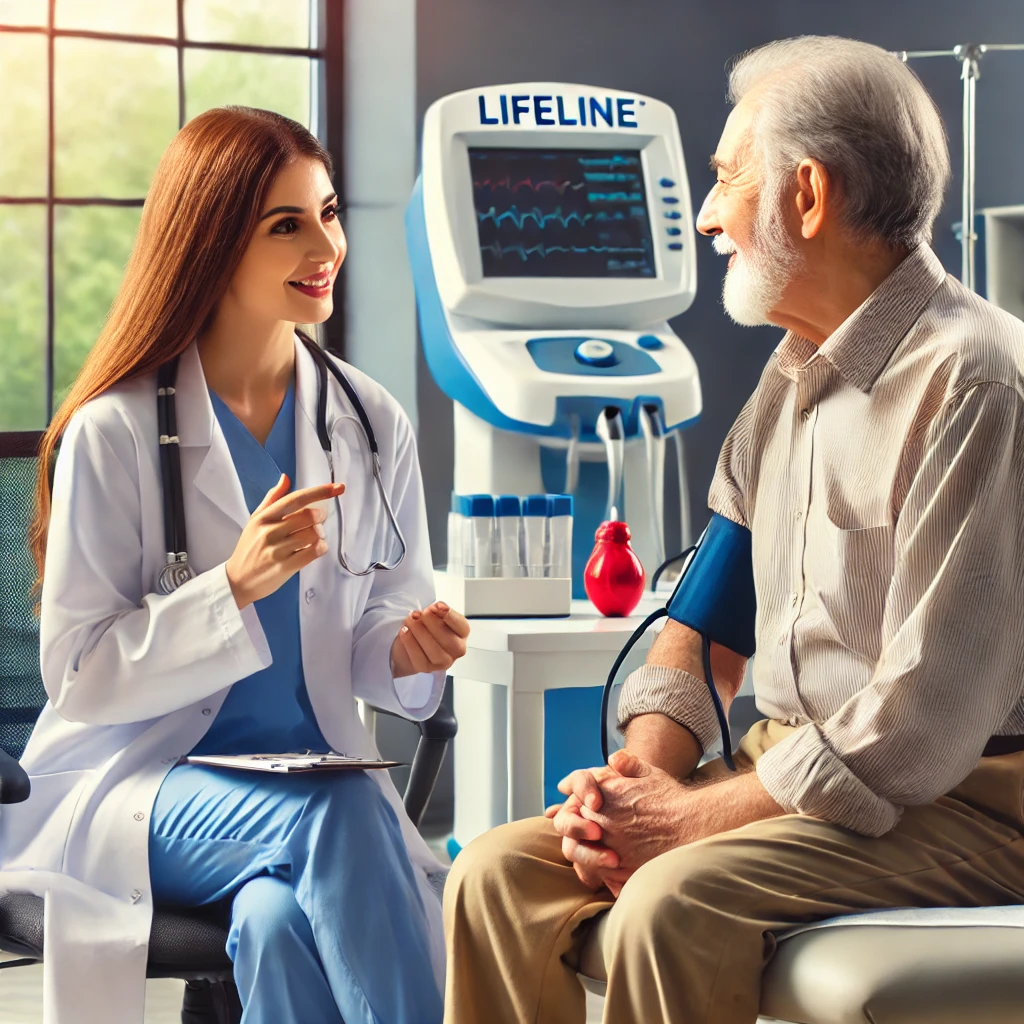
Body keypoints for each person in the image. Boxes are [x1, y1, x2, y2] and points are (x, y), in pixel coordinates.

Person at [442, 35, 1024, 1024]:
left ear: (808, 194)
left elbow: (921, 725)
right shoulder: (791, 376)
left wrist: (686, 821)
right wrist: (635, 783)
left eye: (722, 179)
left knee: (671, 903)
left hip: (966, 799)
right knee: (498, 875)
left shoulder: (979, 381)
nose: (707, 215)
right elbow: (701, 623)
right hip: (788, 762)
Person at [0, 105, 468, 1024]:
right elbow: (79, 674)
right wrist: (233, 588)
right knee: (339, 812)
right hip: (143, 783)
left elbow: (378, 620)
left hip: (307, 771)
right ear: (212, 242)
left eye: (328, 213)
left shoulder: (369, 424)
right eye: (286, 224)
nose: (323, 244)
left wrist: (408, 652)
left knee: (274, 918)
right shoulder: (116, 431)